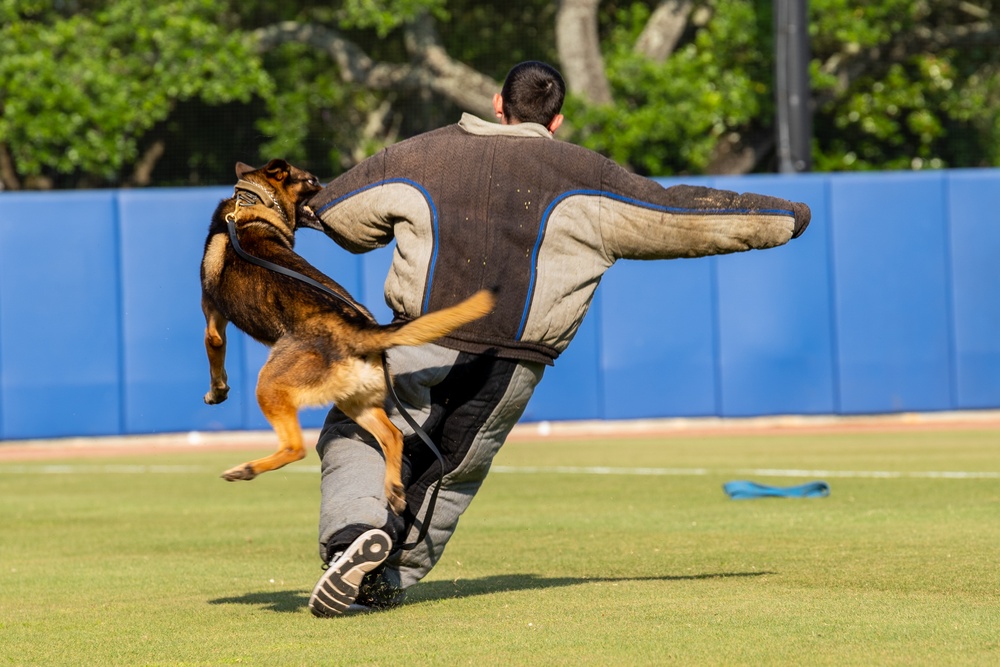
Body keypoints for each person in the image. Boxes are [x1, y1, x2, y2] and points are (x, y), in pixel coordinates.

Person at [304, 61, 810, 617]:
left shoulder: (425, 154)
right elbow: (677, 215)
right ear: (557, 120)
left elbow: (333, 214)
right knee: (451, 475)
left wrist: (271, 208)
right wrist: (785, 218)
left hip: (421, 334)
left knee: (358, 433)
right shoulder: (586, 174)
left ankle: (354, 533)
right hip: (515, 363)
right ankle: (386, 579)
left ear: (499, 105)